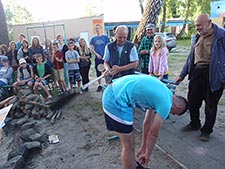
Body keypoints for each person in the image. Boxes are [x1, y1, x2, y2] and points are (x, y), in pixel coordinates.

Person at [102, 74, 188, 169]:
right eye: (174, 113)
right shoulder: (166, 104)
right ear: (178, 107)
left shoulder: (164, 92)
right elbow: (153, 134)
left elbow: (147, 123)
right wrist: (148, 155)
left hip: (114, 92)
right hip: (115, 100)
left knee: (129, 143)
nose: (170, 114)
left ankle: (133, 165)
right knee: (128, 146)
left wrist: (144, 147)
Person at [175, 14, 225, 141]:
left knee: (210, 105)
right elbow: (190, 58)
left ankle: (207, 130)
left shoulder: (221, 36)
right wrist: (182, 75)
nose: (197, 28)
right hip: (197, 72)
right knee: (192, 101)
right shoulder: (197, 37)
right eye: (196, 25)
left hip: (213, 75)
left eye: (199, 25)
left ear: (209, 22)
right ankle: (194, 123)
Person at [90, 24, 110, 92]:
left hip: (105, 58)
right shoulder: (93, 39)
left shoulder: (105, 38)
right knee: (98, 72)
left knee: (106, 71)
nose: (97, 29)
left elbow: (108, 47)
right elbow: (91, 48)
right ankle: (100, 85)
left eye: (98, 28)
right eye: (96, 28)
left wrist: (106, 55)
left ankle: (108, 85)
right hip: (98, 58)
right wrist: (97, 54)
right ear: (95, 30)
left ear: (101, 29)